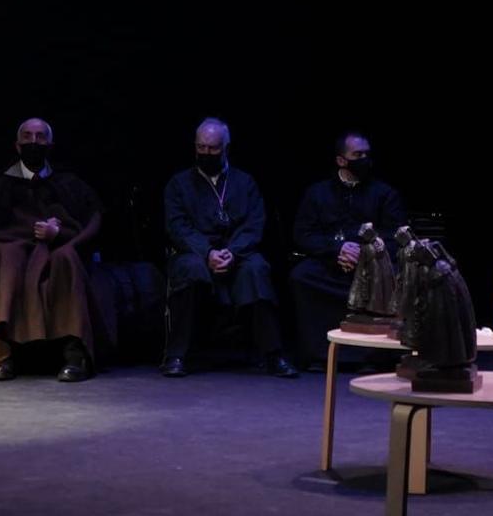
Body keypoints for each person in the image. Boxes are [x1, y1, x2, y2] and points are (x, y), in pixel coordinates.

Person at [0, 118, 104, 383]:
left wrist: (60, 234)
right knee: (7, 256)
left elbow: (90, 220)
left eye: (40, 137)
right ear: (17, 146)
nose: (34, 142)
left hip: (57, 249)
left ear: (50, 144)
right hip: (15, 249)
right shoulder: (1, 185)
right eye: (27, 137)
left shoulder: (67, 183)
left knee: (66, 259)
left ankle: (76, 355)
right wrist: (26, 233)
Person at [161, 118, 295, 378]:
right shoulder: (179, 184)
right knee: (189, 269)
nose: (206, 153)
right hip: (196, 253)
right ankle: (177, 354)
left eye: (213, 149)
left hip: (238, 253)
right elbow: (178, 227)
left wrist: (232, 252)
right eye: (201, 148)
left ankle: (273, 355)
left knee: (256, 269)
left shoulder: (245, 183)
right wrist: (207, 253)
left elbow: (255, 225)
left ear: (226, 148)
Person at [288, 132, 408, 370]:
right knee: (301, 277)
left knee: (392, 279)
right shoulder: (318, 193)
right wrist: (337, 250)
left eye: (366, 154)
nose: (364, 159)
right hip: (330, 261)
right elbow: (303, 235)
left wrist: (364, 253)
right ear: (341, 160)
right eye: (357, 155)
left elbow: (396, 236)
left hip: (372, 264)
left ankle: (374, 357)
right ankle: (319, 355)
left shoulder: (384, 194)